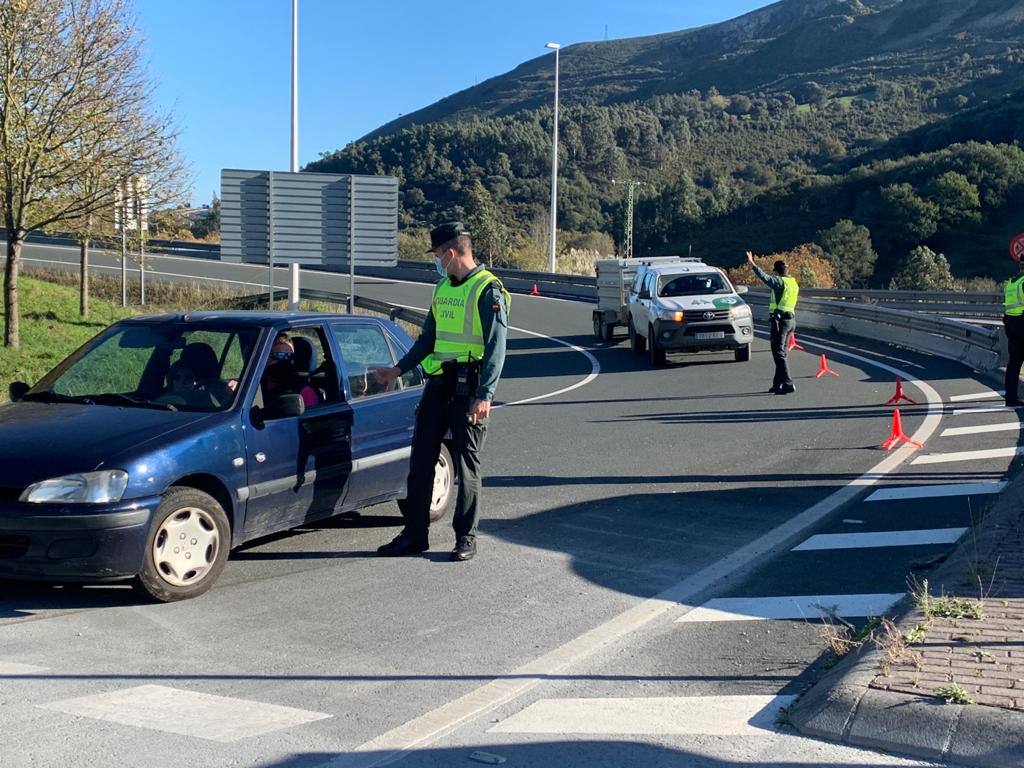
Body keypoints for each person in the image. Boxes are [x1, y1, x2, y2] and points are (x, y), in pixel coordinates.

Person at [370, 222, 510, 562]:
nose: (436, 262)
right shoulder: (441, 288)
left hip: (470, 386)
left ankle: (466, 537)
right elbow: (427, 339)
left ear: (449, 252)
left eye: (436, 255)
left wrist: (485, 394)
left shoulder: (487, 290)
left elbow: (496, 347)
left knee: (466, 465)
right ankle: (415, 534)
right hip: (438, 386)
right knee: (420, 462)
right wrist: (397, 370)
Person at [746, 250, 799, 395]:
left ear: (777, 272)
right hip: (791, 321)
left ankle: (788, 383)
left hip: (780, 321)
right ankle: (777, 384)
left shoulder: (779, 282)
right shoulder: (792, 282)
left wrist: (752, 264)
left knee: (778, 353)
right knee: (782, 353)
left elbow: (765, 278)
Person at [1003, 259, 1024, 407]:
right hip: (1022, 323)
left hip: (1011, 323)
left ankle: (1010, 397)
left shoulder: (1011, 282)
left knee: (1014, 363)